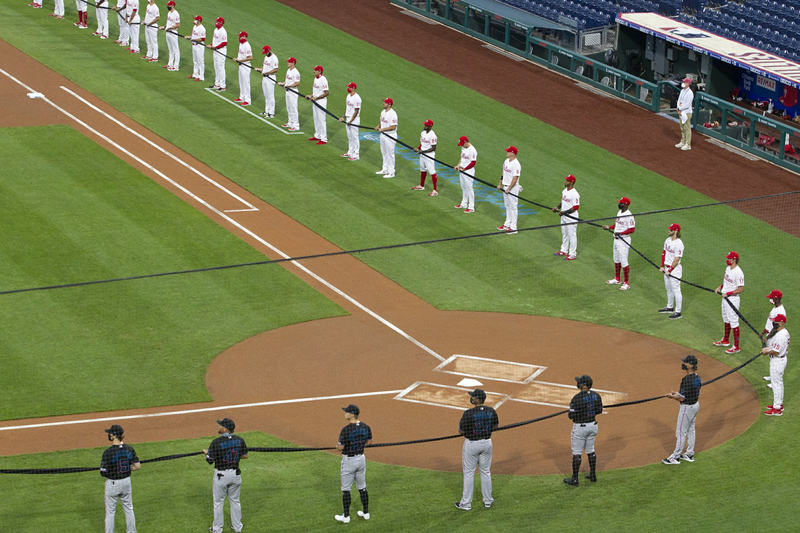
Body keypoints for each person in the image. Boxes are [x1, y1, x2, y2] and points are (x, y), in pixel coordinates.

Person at [455, 389, 498, 510]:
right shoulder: (491, 411)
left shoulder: (468, 413)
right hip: (487, 443)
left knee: (469, 473)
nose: (472, 398)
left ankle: (466, 504)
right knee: (485, 471)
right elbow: (495, 426)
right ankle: (488, 501)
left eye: (473, 397)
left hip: (472, 445)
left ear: (478, 399)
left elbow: (461, 431)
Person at [204, 418, 248, 533]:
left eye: (221, 426)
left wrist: (208, 453)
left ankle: (217, 529)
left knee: (218, 502)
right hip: (235, 474)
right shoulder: (240, 439)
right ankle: (237, 527)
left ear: (225, 428)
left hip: (221, 476)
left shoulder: (216, 442)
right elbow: (245, 455)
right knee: (235, 501)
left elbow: (210, 460)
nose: (219, 427)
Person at [335, 404, 372, 523]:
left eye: (346, 412)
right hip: (361, 459)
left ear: (351, 415)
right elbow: (369, 442)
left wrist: (338, 446)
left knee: (346, 490)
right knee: (362, 488)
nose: (344, 413)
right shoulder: (366, 427)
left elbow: (341, 448)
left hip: (349, 461)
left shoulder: (346, 430)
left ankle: (346, 516)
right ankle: (366, 513)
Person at [100, 424, 141, 533]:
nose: (108, 435)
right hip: (126, 482)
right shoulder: (130, 449)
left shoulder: (107, 452)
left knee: (110, 512)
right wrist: (127, 468)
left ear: (114, 436)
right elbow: (137, 466)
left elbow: (103, 472)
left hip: (113, 484)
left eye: (110, 433)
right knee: (129, 509)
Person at [564, 375, 603, 486]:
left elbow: (571, 416)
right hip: (593, 425)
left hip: (580, 428)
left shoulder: (576, 398)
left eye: (580, 382)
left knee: (577, 453)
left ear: (584, 385)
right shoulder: (596, 395)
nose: (578, 384)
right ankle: (592, 475)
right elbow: (599, 410)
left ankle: (575, 480)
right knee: (590, 450)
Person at [662, 355, 701, 464]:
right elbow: (687, 394)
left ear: (691, 365)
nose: (684, 364)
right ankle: (689, 454)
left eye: (686, 363)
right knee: (691, 430)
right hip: (695, 406)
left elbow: (682, 398)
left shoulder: (687, 379)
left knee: (680, 432)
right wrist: (678, 394)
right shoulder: (697, 377)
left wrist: (672, 396)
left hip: (687, 408)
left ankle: (675, 457)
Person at [713, 251, 745, 354]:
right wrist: (720, 287)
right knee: (726, 319)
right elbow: (726, 282)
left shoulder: (738, 272)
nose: (728, 260)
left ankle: (736, 346)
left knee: (734, 321)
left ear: (734, 260)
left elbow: (741, 289)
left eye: (729, 258)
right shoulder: (728, 269)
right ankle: (725, 340)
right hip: (725, 298)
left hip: (733, 299)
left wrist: (729, 293)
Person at [602, 196, 635, 290]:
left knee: (624, 261)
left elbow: (632, 229)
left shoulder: (629, 216)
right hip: (616, 239)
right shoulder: (619, 212)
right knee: (616, 259)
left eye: (621, 203)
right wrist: (609, 227)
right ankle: (617, 279)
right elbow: (617, 225)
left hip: (624, 240)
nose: (619, 204)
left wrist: (621, 233)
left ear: (626, 205)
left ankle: (626, 283)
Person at [762, 314, 790, 416]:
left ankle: (777, 408)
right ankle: (779, 404)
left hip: (777, 361)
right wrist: (768, 349)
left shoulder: (781, 335)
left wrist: (767, 352)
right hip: (781, 360)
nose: (773, 323)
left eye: (775, 322)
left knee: (776, 384)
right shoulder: (784, 332)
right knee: (779, 383)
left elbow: (776, 352)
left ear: (781, 323)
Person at [658, 223, 685, 319]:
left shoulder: (679, 244)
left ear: (676, 231)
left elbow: (677, 259)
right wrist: (662, 266)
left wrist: (670, 270)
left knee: (676, 290)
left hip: (675, 270)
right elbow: (664, 253)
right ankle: (669, 307)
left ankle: (678, 312)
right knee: (668, 288)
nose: (669, 231)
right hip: (666, 268)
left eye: (671, 230)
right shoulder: (667, 240)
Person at [761, 290, 786, 386]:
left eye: (772, 297)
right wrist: (763, 332)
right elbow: (769, 323)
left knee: (775, 356)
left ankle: (775, 380)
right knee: (771, 357)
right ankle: (773, 376)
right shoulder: (775, 308)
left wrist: (766, 338)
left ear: (776, 298)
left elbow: (776, 328)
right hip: (770, 335)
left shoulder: (781, 311)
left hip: (775, 337)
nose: (770, 299)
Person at [552, 175, 580, 260]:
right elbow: (563, 202)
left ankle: (573, 254)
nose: (565, 182)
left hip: (571, 217)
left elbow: (576, 207)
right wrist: (557, 208)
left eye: (567, 180)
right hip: (563, 215)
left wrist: (565, 212)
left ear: (572, 182)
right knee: (565, 234)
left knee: (572, 235)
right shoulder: (564, 191)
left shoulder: (575, 194)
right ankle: (564, 250)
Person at [496, 146, 521, 234]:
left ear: (513, 153)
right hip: (505, 186)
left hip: (513, 188)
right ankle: (507, 224)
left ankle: (514, 228)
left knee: (513, 207)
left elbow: (515, 178)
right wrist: (500, 183)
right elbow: (503, 172)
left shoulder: (516, 164)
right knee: (507, 206)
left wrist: (509, 188)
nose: (506, 152)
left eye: (508, 151)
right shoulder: (506, 161)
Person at [411, 119, 439, 196]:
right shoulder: (423, 133)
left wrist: (423, 151)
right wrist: (418, 148)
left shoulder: (433, 136)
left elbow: (433, 148)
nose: (424, 126)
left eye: (426, 125)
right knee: (422, 169)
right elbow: (422, 143)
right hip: (422, 154)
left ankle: (435, 190)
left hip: (429, 155)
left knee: (432, 172)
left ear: (430, 126)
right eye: (424, 125)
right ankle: (421, 185)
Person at [306, 65, 329, 144]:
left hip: (321, 101)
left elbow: (326, 93)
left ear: (320, 71)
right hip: (315, 100)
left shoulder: (323, 79)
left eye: (315, 70)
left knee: (321, 119)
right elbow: (317, 91)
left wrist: (316, 98)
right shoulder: (316, 78)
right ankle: (318, 135)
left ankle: (324, 138)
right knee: (316, 118)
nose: (314, 71)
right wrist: (311, 95)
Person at [375, 98, 398, 178]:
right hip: (383, 135)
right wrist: (378, 126)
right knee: (384, 152)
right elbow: (382, 121)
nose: (383, 103)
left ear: (389, 105)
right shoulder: (383, 112)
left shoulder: (393, 114)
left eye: (385, 102)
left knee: (390, 154)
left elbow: (393, 127)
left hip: (390, 136)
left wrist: (383, 129)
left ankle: (391, 172)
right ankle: (385, 169)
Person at [454, 136, 477, 213]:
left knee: (469, 188)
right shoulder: (463, 148)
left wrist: (465, 169)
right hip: (462, 170)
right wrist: (458, 165)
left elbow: (473, 163)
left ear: (466, 142)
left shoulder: (472, 150)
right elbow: (462, 157)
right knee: (463, 187)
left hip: (469, 171)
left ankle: (471, 207)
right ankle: (464, 204)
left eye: (462, 144)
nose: (461, 145)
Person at [254, 45, 279, 118]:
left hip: (270, 78)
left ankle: (271, 113)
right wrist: (259, 69)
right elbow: (265, 67)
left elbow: (276, 69)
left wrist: (266, 72)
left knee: (270, 96)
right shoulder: (266, 57)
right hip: (265, 78)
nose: (265, 53)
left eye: (266, 52)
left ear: (269, 50)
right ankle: (266, 110)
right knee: (266, 95)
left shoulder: (274, 58)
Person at [339, 82, 361, 160]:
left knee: (355, 137)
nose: (348, 88)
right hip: (348, 119)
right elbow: (347, 108)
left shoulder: (357, 98)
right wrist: (343, 117)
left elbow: (356, 111)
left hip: (354, 120)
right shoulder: (348, 96)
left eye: (349, 87)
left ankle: (356, 154)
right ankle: (350, 152)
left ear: (353, 88)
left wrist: (351, 121)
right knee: (350, 137)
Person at [278, 57, 300, 131]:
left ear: (293, 63)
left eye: (289, 62)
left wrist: (288, 86)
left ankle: (296, 125)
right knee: (289, 108)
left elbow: (297, 83)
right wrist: (282, 83)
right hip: (287, 91)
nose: (288, 63)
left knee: (294, 109)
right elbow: (287, 82)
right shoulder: (288, 70)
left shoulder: (296, 72)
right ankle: (290, 122)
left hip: (293, 92)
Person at [206, 17, 227, 91]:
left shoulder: (223, 31)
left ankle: (223, 85)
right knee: (216, 67)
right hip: (215, 51)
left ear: (221, 23)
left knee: (220, 68)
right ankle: (217, 84)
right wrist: (211, 45)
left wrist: (215, 47)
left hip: (221, 52)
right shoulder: (215, 30)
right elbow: (215, 41)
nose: (216, 23)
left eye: (217, 22)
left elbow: (224, 43)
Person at [233, 32, 252, 106]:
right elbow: (241, 55)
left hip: (246, 66)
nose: (239, 38)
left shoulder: (247, 45)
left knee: (246, 83)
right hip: (241, 66)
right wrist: (237, 59)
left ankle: (248, 100)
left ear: (244, 37)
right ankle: (242, 97)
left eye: (240, 36)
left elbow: (250, 57)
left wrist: (240, 60)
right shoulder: (241, 44)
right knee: (241, 82)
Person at [160, 1, 180, 71]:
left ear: (172, 5)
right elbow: (168, 23)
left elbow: (178, 25)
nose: (168, 6)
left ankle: (176, 65)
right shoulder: (169, 13)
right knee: (170, 49)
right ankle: (170, 63)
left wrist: (169, 28)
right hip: (168, 33)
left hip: (173, 33)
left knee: (175, 50)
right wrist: (165, 27)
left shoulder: (176, 14)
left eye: (169, 5)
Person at [184, 15, 205, 81]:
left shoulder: (202, 28)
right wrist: (189, 37)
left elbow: (202, 39)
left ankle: (201, 76)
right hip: (194, 45)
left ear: (199, 20)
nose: (194, 20)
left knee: (200, 61)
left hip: (199, 46)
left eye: (196, 19)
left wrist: (194, 40)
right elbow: (194, 36)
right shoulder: (195, 27)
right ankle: (195, 74)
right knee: (195, 61)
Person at [676, 77, 694, 151]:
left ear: (688, 83)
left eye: (684, 82)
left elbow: (687, 104)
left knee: (687, 128)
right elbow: (679, 100)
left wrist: (680, 109)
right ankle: (683, 141)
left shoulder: (690, 93)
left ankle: (688, 144)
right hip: (681, 112)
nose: (683, 83)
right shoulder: (682, 91)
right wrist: (678, 108)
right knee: (682, 127)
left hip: (686, 112)